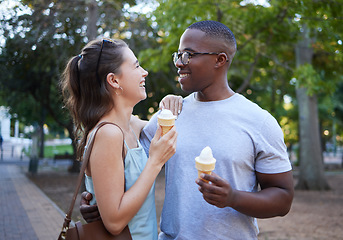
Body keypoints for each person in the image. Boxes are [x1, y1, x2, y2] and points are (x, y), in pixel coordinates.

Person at [81, 21, 294, 239]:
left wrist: (233, 198)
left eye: (189, 55)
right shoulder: (169, 117)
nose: (179, 63)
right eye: (178, 55)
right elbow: (125, 167)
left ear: (219, 60)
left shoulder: (259, 122)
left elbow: (283, 198)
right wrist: (95, 198)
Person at [61, 38, 178, 240]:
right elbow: (114, 223)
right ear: (114, 81)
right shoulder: (108, 134)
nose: (145, 72)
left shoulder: (130, 125)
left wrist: (172, 101)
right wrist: (155, 162)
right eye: (136, 66)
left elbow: (160, 124)